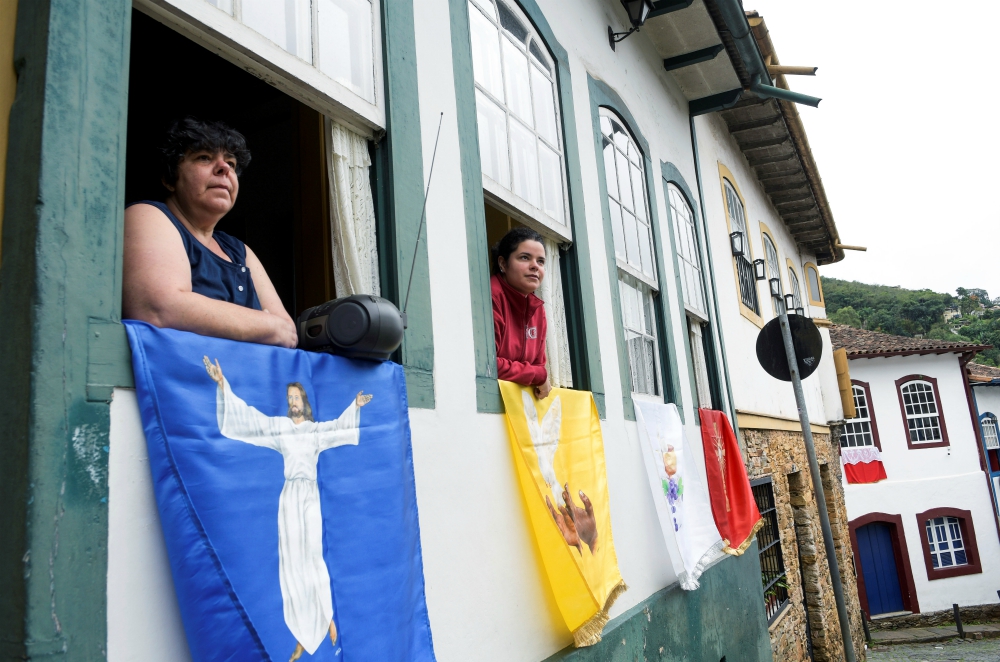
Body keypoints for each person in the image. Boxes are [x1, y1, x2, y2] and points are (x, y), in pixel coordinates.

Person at [123, 117, 298, 348]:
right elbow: (159, 309)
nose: (224, 168)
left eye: (231, 164)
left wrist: (196, 310)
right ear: (169, 179)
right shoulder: (147, 215)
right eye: (204, 157)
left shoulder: (239, 251)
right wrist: (266, 325)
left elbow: (287, 332)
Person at [491, 226, 551, 399]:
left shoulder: (537, 308)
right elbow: (488, 365)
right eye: (525, 258)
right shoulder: (491, 297)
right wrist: (536, 375)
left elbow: (539, 365)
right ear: (503, 263)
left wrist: (537, 374)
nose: (535, 266)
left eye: (541, 261)